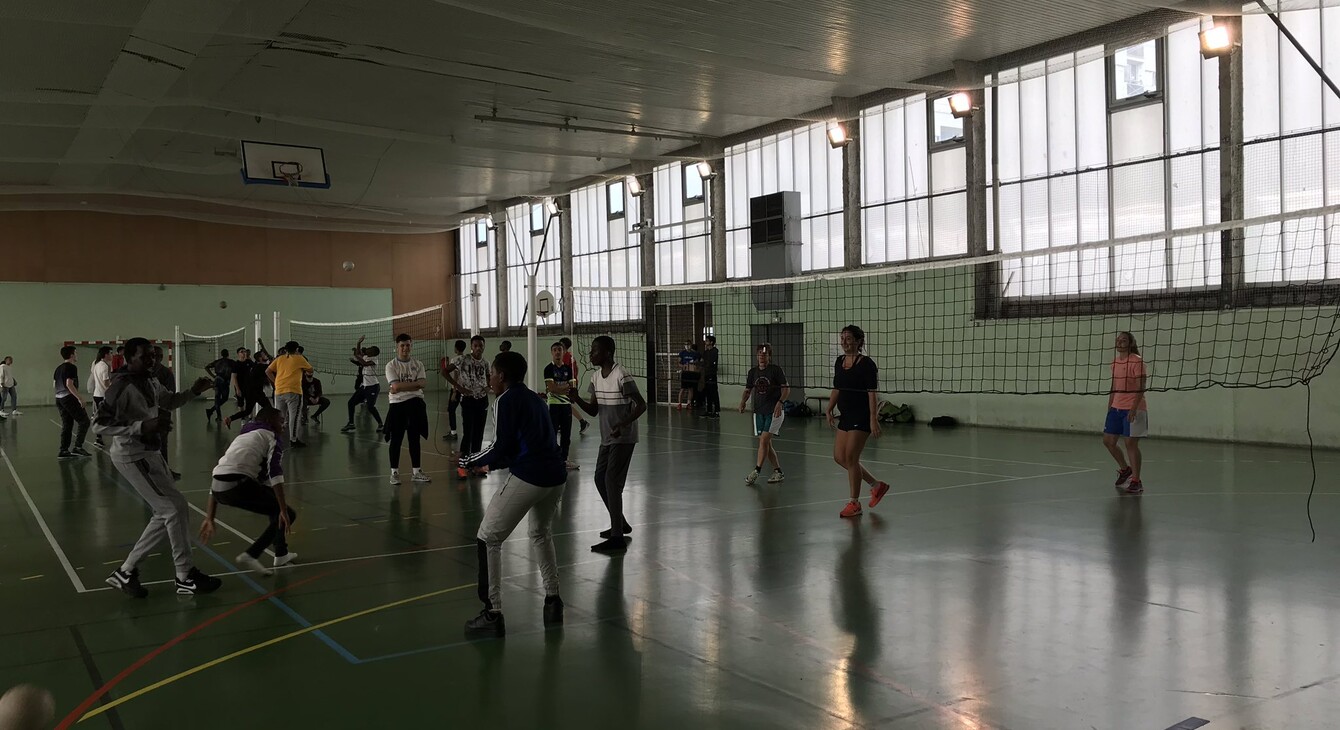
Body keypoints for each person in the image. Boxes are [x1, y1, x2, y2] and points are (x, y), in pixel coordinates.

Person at [99, 337, 220, 598]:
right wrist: (141, 427)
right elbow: (99, 425)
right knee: (173, 508)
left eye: (154, 356)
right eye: (145, 357)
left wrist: (193, 392)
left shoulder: (150, 380)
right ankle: (184, 576)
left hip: (151, 454)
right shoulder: (120, 387)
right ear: (129, 358)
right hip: (132, 456)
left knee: (167, 511)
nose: (152, 361)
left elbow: (169, 401)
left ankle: (127, 571)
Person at [460, 351, 568, 638]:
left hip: (531, 476)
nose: (489, 378)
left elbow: (500, 446)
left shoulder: (505, 400)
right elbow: (515, 449)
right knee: (540, 533)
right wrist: (487, 463)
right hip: (556, 476)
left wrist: (469, 460)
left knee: (488, 537)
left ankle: (492, 613)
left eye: (492, 373)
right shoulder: (534, 398)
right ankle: (553, 601)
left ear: (502, 376)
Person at [570, 336, 647, 554]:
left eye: (595, 351)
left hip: (623, 437)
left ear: (608, 353)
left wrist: (623, 424)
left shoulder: (621, 375)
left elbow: (641, 405)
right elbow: (594, 411)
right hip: (607, 438)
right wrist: (576, 398)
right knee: (599, 478)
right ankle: (620, 523)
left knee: (612, 481)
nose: (591, 354)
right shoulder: (595, 378)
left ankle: (617, 538)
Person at [199, 407, 297, 575]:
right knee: (288, 513)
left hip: (219, 488)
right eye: (281, 421)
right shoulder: (271, 437)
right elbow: (275, 474)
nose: (284, 425)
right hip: (238, 485)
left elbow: (221, 475)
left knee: (272, 500)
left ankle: (281, 553)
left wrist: (210, 516)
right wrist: (283, 509)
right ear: (269, 422)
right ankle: (252, 554)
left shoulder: (244, 436)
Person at [826, 325, 891, 519]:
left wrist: (873, 419)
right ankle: (877, 486)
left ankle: (854, 503)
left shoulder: (866, 364)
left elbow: (872, 393)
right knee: (840, 457)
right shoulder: (839, 362)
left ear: (859, 341)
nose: (844, 342)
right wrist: (829, 408)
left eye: (848, 338)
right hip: (845, 415)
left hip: (861, 416)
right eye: (842, 338)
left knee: (851, 458)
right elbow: (837, 388)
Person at [1104, 331, 1148, 495]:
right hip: (1116, 407)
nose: (1120, 342)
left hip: (1134, 408)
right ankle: (1125, 470)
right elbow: (1114, 386)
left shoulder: (1137, 361)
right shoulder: (1114, 363)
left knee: (1130, 444)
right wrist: (1110, 406)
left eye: (1124, 340)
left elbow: (1141, 386)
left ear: (1130, 343)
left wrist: (1134, 408)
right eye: (1118, 340)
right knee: (1108, 441)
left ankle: (1136, 481)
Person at [384, 333, 432, 485]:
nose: (405, 348)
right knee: (396, 439)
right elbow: (397, 386)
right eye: (402, 345)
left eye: (408, 345)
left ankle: (416, 472)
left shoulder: (418, 364)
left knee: (414, 439)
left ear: (411, 345)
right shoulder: (391, 365)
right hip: (397, 405)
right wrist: (413, 384)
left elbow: (422, 383)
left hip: (416, 404)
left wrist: (399, 387)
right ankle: (394, 473)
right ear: (397, 347)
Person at [740, 343, 788, 486]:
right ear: (756, 355)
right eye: (760, 353)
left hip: (774, 411)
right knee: (766, 444)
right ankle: (778, 471)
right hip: (759, 411)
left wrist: (780, 402)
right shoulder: (753, 372)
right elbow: (748, 390)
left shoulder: (775, 370)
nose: (762, 355)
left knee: (763, 441)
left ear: (769, 356)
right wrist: (743, 402)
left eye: (765, 354)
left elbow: (786, 389)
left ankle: (757, 470)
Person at [443, 335, 491, 477]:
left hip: (482, 400)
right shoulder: (462, 359)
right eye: (475, 345)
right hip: (468, 400)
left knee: (479, 434)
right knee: (468, 434)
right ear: (471, 347)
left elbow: (488, 378)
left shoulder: (486, 363)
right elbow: (444, 371)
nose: (478, 348)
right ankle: (462, 466)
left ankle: (476, 465)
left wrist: (488, 387)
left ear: (484, 346)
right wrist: (457, 387)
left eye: (481, 345)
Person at [266, 340, 313, 447]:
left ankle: (275, 438)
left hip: (279, 391)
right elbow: (310, 370)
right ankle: (293, 440)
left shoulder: (279, 359)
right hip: (293, 391)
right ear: (297, 349)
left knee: (279, 416)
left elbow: (267, 371)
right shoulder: (299, 358)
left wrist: (276, 381)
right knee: (294, 416)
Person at [543, 342, 578, 469]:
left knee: (566, 434)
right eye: (555, 350)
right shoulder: (548, 369)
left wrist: (559, 388)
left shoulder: (568, 369)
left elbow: (573, 388)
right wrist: (562, 388)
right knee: (552, 432)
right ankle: (551, 458)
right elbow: (552, 389)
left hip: (566, 405)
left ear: (564, 352)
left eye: (560, 350)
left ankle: (564, 459)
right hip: (553, 405)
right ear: (552, 352)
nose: (557, 352)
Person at [150, 346, 181, 480]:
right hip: (154, 415)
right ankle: (159, 471)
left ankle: (161, 470)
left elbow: (170, 396)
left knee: (159, 443)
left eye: (157, 356)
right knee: (157, 444)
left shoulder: (162, 373)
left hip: (155, 414)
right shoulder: (157, 372)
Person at [54, 346, 91, 459]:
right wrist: (79, 398)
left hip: (59, 398)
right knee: (84, 421)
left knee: (67, 424)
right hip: (68, 397)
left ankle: (63, 450)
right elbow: (69, 384)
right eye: (75, 353)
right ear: (71, 355)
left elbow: (54, 384)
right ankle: (78, 447)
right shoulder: (71, 367)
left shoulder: (58, 368)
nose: (77, 355)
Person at [342, 336, 385, 434]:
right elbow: (358, 354)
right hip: (364, 386)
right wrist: (358, 342)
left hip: (373, 386)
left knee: (370, 407)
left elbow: (364, 364)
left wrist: (357, 357)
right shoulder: (366, 356)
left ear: (373, 352)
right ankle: (351, 423)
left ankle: (381, 424)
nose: (368, 349)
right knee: (351, 403)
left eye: (370, 349)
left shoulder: (374, 359)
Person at [560, 337, 590, 435]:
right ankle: (563, 424)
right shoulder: (570, 356)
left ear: (563, 346)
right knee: (564, 404)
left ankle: (582, 422)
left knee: (566, 404)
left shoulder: (565, 357)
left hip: (568, 383)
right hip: (571, 382)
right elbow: (576, 368)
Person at [442, 339, 466, 439]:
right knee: (465, 411)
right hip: (466, 389)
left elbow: (455, 375)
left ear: (456, 348)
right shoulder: (467, 358)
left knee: (451, 410)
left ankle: (453, 433)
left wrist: (454, 391)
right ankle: (467, 432)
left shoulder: (455, 359)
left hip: (458, 389)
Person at [90, 346, 113, 448]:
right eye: (111, 353)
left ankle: (98, 438)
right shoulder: (104, 366)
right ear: (106, 354)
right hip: (103, 395)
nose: (112, 355)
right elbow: (106, 383)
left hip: (97, 394)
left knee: (99, 417)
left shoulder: (97, 364)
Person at [204, 348, 234, 422]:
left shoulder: (217, 362)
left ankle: (215, 414)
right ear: (228, 354)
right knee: (224, 398)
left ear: (221, 354)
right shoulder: (230, 362)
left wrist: (213, 376)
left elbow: (206, 367)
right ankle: (214, 413)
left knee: (217, 399)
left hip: (217, 381)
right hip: (225, 382)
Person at [698, 335, 720, 419]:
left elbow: (710, 362)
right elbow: (702, 362)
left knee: (714, 392)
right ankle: (709, 410)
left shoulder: (715, 351)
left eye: (707, 340)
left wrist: (706, 363)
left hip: (712, 374)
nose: (705, 342)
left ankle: (716, 411)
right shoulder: (705, 352)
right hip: (706, 374)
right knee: (707, 392)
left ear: (711, 342)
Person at [677, 340, 700, 411]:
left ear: (691, 345)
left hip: (692, 372)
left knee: (690, 389)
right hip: (685, 372)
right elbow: (679, 363)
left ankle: (689, 403)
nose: (687, 346)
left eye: (688, 344)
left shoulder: (695, 353)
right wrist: (683, 366)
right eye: (686, 344)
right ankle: (679, 404)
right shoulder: (682, 353)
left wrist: (695, 363)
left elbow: (699, 360)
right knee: (683, 388)